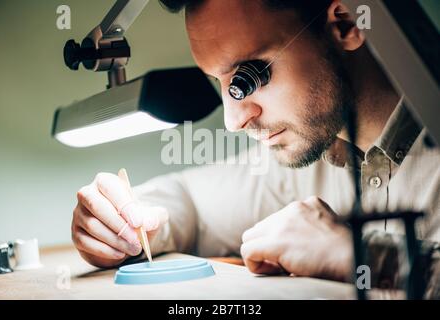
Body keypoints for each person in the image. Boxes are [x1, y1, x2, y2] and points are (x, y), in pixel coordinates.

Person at [71, 0, 439, 298]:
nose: (233, 121)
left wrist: (362, 255)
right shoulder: (311, 155)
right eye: (220, 83)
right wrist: (123, 223)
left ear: (346, 24)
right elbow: (191, 203)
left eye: (248, 78)